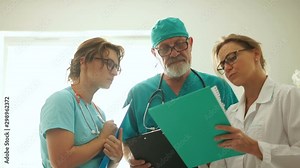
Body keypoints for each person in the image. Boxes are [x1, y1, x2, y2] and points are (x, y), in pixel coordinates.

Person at [121, 17, 238, 168]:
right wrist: (131, 158)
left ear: (190, 44)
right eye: (164, 48)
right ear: (154, 53)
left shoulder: (217, 85)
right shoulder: (138, 94)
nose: (174, 53)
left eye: (180, 44)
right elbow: (125, 140)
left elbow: (239, 131)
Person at [210, 34, 300, 168]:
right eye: (223, 64)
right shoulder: (231, 113)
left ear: (256, 54)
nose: (227, 68)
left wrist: (255, 148)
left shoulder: (288, 96)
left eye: (231, 58)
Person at [39, 37, 124, 168]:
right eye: (109, 63)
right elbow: (61, 162)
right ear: (83, 61)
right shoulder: (61, 100)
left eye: (116, 67)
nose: (114, 72)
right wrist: (102, 139)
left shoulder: (99, 113)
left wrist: (115, 159)